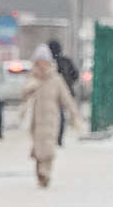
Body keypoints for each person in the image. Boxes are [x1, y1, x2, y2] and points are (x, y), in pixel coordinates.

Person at [23, 48, 74, 189]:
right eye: (38, 61)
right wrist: (30, 89)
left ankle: (45, 172)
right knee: (39, 148)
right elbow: (24, 94)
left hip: (52, 118)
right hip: (36, 120)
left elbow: (66, 98)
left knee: (49, 148)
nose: (40, 65)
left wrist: (73, 115)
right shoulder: (33, 78)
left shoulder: (56, 79)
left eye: (43, 61)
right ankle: (40, 173)